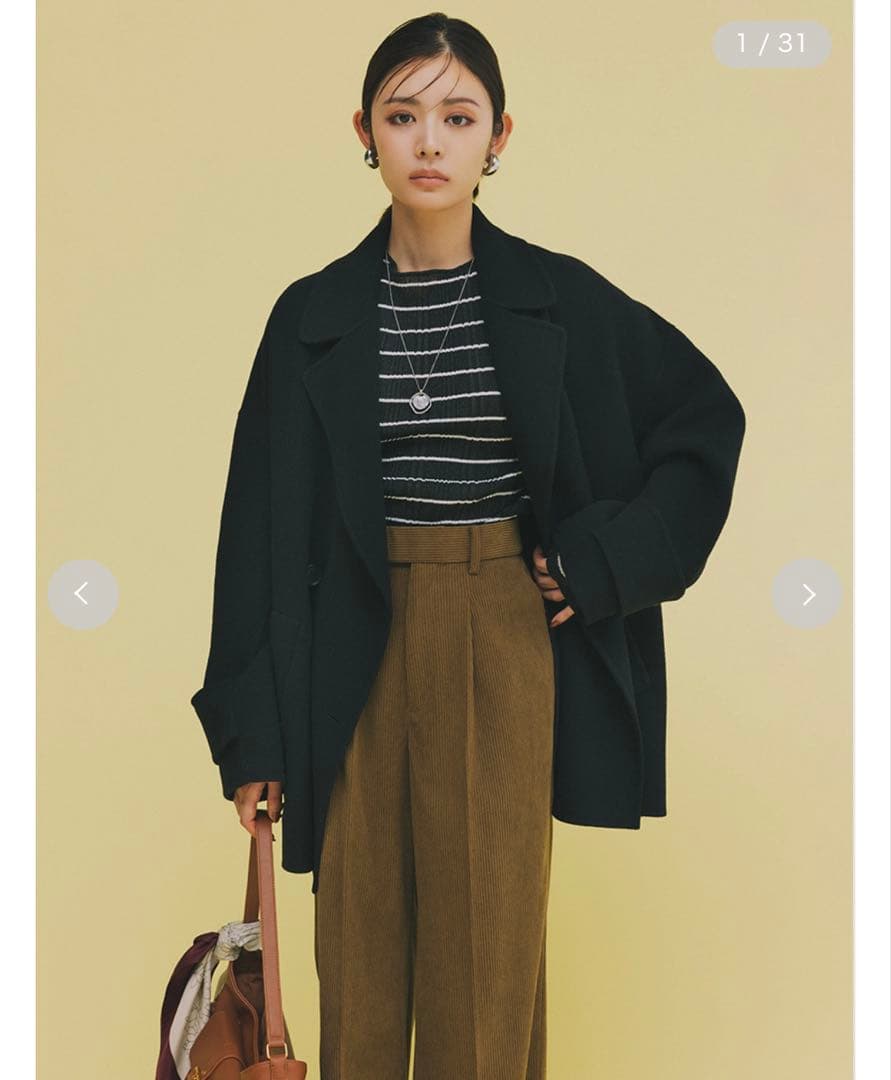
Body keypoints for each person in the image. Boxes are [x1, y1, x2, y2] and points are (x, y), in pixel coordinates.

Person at [191, 13, 746, 1079]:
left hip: (502, 627)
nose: (430, 142)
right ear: (365, 132)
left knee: (487, 958)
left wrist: (604, 563)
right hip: (351, 636)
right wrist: (252, 737)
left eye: (458, 117)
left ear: (499, 136)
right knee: (356, 957)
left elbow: (702, 420)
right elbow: (254, 530)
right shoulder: (310, 315)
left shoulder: (560, 297)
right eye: (404, 116)